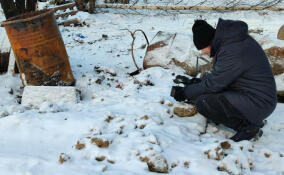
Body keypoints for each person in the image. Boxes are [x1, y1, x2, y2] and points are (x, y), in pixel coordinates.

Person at [172, 18, 277, 142]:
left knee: (204, 103)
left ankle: (247, 127)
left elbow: (213, 85)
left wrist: (185, 92)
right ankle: (250, 119)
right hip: (256, 96)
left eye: (203, 47)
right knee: (206, 94)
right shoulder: (232, 43)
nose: (203, 52)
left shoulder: (232, 51)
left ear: (210, 41)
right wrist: (198, 83)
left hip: (259, 102)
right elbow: (222, 77)